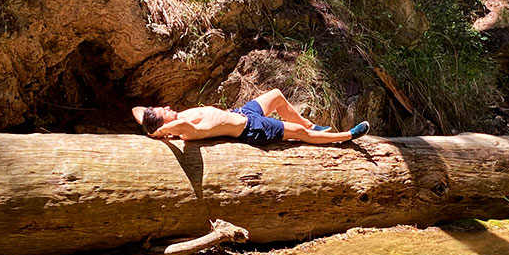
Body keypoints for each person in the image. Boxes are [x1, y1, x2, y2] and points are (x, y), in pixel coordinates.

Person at [132, 88, 369, 145]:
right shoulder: (184, 130)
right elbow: (179, 124)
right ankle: (346, 136)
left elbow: (137, 111)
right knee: (298, 134)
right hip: (252, 129)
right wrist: (158, 132)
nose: (169, 106)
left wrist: (149, 122)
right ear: (166, 123)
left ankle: (312, 125)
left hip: (242, 113)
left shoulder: (174, 121)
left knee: (276, 95)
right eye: (165, 111)